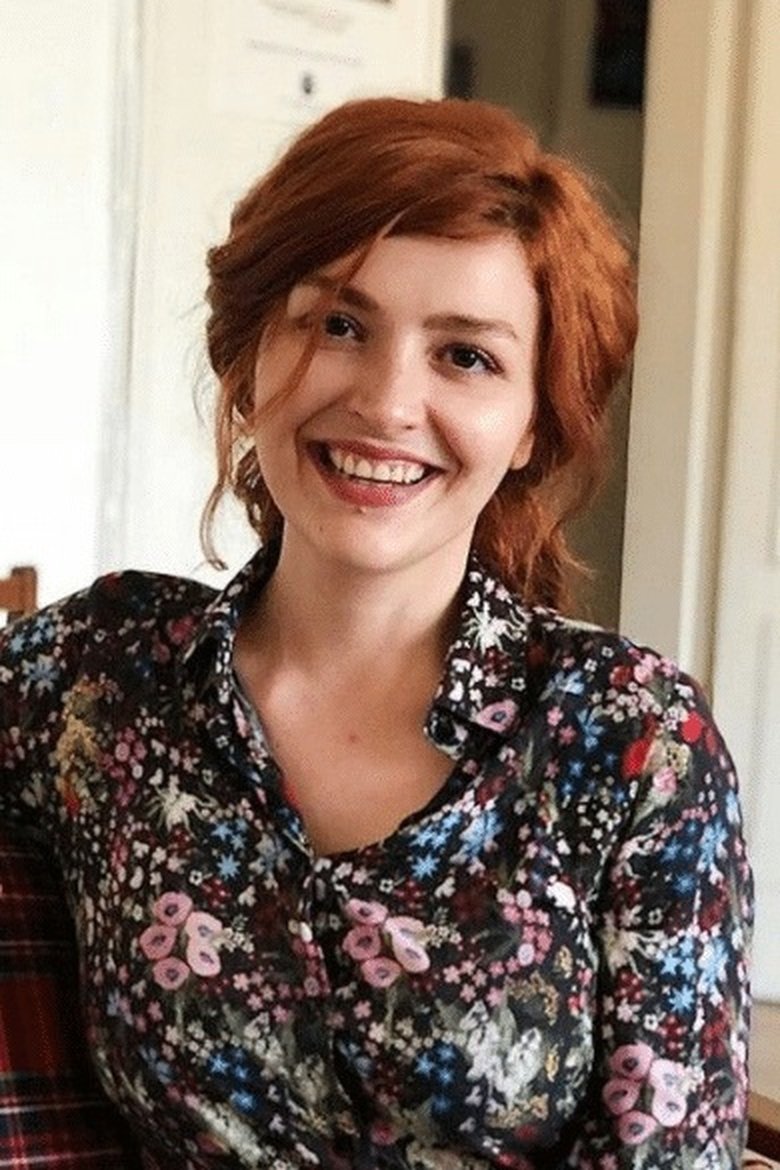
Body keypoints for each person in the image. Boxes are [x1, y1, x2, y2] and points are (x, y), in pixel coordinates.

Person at [0, 96, 752, 1169]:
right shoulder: (94, 680)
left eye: (467, 356)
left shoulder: (635, 741)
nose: (388, 403)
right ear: (250, 356)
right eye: (338, 326)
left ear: (534, 421)